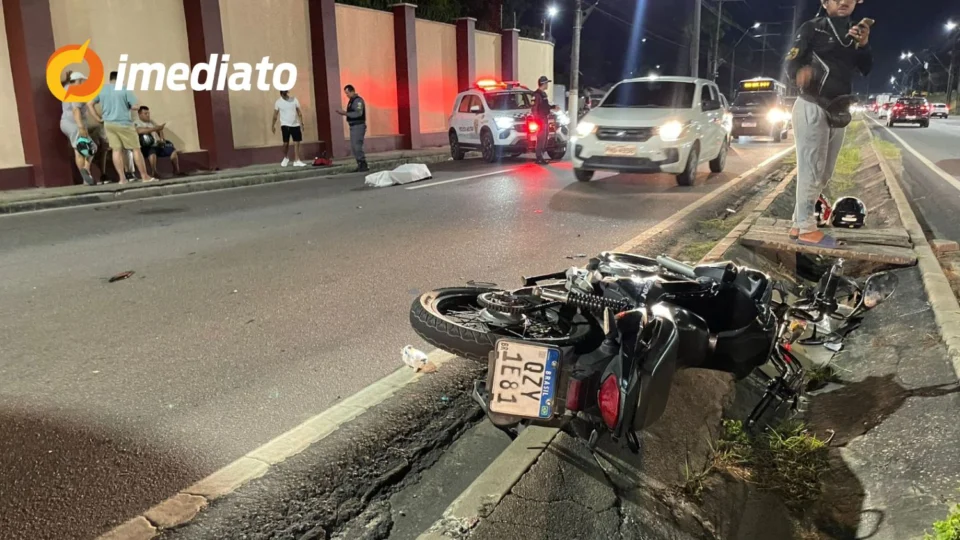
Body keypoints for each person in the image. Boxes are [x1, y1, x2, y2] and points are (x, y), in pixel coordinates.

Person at [785, 0, 873, 248]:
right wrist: (799, 74)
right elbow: (791, 61)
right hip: (812, 104)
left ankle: (797, 223)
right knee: (811, 169)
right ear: (824, 2)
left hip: (838, 108)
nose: (843, 1)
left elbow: (865, 68)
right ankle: (806, 229)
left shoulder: (855, 33)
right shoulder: (813, 28)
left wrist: (864, 44)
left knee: (824, 172)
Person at [91, 71, 156, 183]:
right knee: (136, 149)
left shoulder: (102, 89)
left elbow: (89, 104)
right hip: (124, 123)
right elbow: (135, 106)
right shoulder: (125, 89)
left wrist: (97, 118)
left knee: (116, 150)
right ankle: (145, 176)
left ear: (110, 79)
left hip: (109, 124)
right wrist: (128, 106)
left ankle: (122, 179)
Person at [58, 71, 99, 185]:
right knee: (81, 150)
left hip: (66, 122)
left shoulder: (66, 87)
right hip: (74, 124)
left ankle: (86, 173)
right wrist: (81, 127)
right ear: (79, 81)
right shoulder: (77, 92)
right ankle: (85, 174)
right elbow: (76, 110)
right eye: (83, 81)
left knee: (90, 147)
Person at [135, 106, 182, 177]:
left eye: (148, 113)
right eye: (145, 113)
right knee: (152, 151)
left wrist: (162, 139)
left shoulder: (151, 122)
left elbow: (159, 129)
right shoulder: (136, 123)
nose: (148, 115)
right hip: (146, 146)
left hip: (157, 144)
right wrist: (153, 129)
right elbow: (139, 131)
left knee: (172, 150)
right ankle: (154, 172)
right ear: (140, 114)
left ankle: (176, 170)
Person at [271, 90, 307, 167]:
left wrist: (301, 123)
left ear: (286, 93)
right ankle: (285, 157)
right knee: (285, 143)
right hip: (285, 125)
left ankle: (297, 160)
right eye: (282, 93)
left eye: (285, 93)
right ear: (280, 93)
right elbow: (275, 115)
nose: (283, 95)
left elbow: (299, 112)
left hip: (295, 124)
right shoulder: (278, 102)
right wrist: (272, 125)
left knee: (296, 142)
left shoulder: (294, 100)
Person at [337, 85, 368, 172]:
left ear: (352, 91)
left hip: (358, 126)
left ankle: (363, 164)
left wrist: (345, 113)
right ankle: (360, 163)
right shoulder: (352, 101)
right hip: (353, 126)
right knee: (354, 146)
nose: (347, 95)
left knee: (357, 146)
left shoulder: (358, 101)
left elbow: (358, 113)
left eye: (347, 93)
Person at [532, 75, 558, 165]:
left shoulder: (543, 94)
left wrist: (553, 107)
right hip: (540, 119)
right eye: (547, 83)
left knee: (544, 138)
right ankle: (538, 157)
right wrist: (536, 120)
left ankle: (541, 156)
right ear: (543, 84)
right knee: (541, 138)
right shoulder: (537, 94)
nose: (548, 85)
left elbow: (545, 106)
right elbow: (534, 108)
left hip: (545, 119)